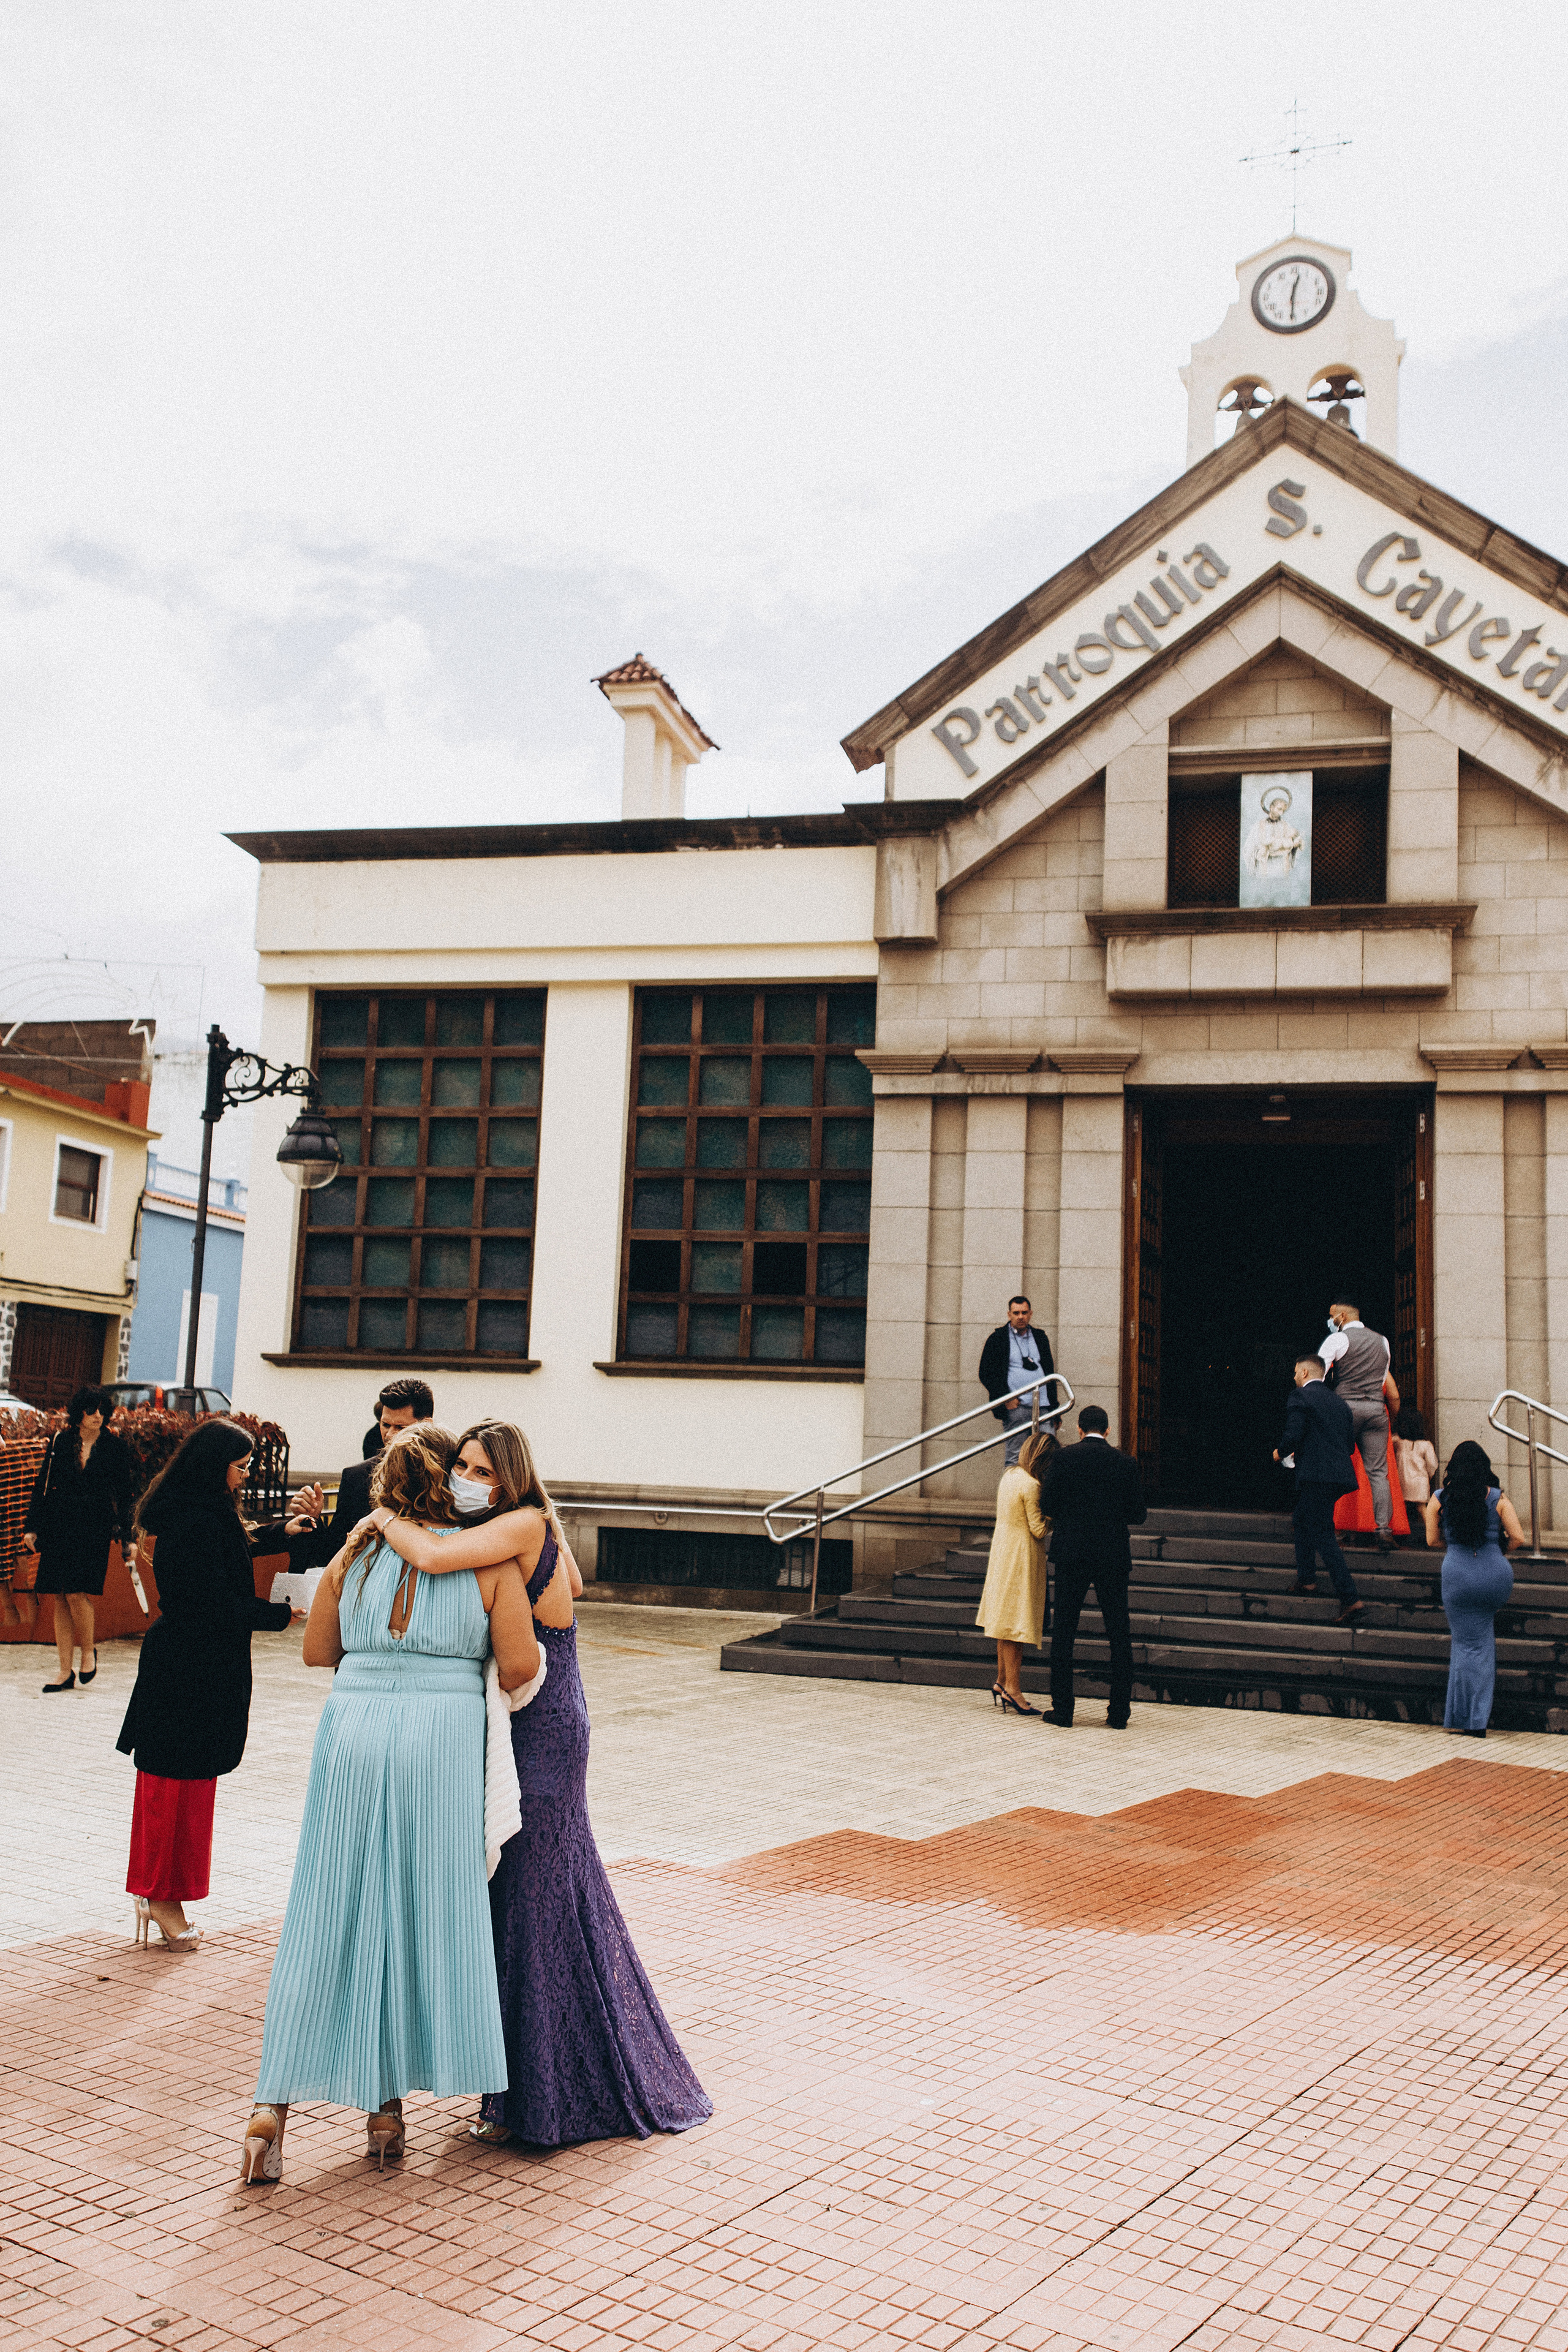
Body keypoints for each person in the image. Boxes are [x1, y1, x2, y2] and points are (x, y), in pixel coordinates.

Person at [368, 1420, 712, 2147]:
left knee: (534, 1900)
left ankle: (548, 2100)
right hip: (541, 1721)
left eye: (483, 1471)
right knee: (545, 1896)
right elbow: (575, 1583)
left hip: (543, 1729)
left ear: (511, 1479)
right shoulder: (534, 1521)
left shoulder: (521, 1522)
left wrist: (383, 1516)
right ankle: (536, 2087)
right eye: (461, 1466)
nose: (468, 1479)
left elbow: (431, 1557)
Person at [240, 1422, 540, 2186]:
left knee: (326, 1907)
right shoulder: (492, 1565)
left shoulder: (357, 1553)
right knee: (408, 1914)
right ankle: (385, 2111)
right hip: (437, 1741)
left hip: (351, 1730)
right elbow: (518, 1664)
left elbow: (315, 1651)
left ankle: (271, 2108)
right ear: (450, 1485)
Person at [116, 1420, 295, 1950]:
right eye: (242, 1467)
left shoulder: (201, 1511)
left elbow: (233, 1548)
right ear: (215, 1464)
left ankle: (167, 1896)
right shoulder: (196, 1519)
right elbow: (215, 1601)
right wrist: (281, 1615)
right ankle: (159, 1898)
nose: (245, 1476)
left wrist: (282, 1533)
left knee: (190, 1785)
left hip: (197, 1666)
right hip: (186, 1669)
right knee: (172, 1787)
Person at [1038, 1405, 1145, 1730]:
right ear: (1109, 1431)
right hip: (1112, 1554)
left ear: (1079, 1429)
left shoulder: (1063, 1459)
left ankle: (1064, 1710)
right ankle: (1119, 1714)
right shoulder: (1126, 1463)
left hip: (1071, 1553)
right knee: (1118, 1632)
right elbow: (1138, 1514)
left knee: (1065, 1632)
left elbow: (1047, 1505)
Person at [22, 1384, 135, 1694]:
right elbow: (42, 1487)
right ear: (79, 1413)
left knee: (76, 1592)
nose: (98, 1416)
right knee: (59, 1595)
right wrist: (32, 1527)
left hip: (93, 1529)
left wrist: (129, 1537)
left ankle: (88, 1651)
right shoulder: (61, 1441)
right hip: (59, 1527)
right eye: (91, 1411)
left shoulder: (114, 1447)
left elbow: (125, 1496)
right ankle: (63, 1670)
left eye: (102, 1411)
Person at [1424, 1441, 1523, 1738]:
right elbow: (1518, 1536)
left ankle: (1473, 1720)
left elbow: (1431, 1540)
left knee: (1467, 1645)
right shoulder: (1498, 1498)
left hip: (1459, 1575)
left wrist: (1454, 1545)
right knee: (1480, 1642)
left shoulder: (1439, 1498)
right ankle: (1467, 1716)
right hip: (1495, 1575)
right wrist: (1498, 1548)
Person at [284, 1376, 435, 1570]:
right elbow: (331, 1553)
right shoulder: (357, 1477)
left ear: (427, 1425)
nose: (389, 1435)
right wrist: (312, 1518)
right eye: (385, 1425)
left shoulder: (449, 1473)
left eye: (400, 1428)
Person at [1275, 1355, 1363, 1624]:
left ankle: (1351, 1598)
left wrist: (1281, 1452)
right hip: (1339, 1475)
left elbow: (1294, 1433)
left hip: (1316, 1475)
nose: (1293, 1377)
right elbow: (1350, 1445)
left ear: (1303, 1372)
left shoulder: (1300, 1396)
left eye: (1294, 1372)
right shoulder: (1340, 1403)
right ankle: (1307, 1579)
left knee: (1322, 1532)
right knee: (1302, 1519)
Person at [976, 1430, 1055, 1716]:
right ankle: (1014, 1689)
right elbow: (1038, 1528)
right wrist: (1055, 1516)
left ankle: (1001, 1680)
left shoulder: (1009, 1476)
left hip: (1003, 1552)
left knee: (1005, 1619)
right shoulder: (1032, 1485)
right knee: (1017, 1624)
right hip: (1022, 1557)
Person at [1320, 1300, 1400, 1550]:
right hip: (1376, 1410)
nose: (1331, 1320)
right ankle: (1384, 1530)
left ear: (1342, 1316)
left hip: (1346, 1409)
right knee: (1378, 1473)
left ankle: (1329, 1527)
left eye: (1332, 1316)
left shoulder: (1338, 1340)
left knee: (1332, 1466)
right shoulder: (1383, 1341)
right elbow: (1382, 1378)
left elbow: (1317, 1375)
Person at [979, 1296, 1055, 1468]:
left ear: (1031, 1314)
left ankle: (1045, 1495)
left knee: (1048, 1456)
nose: (1021, 1317)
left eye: (1024, 1313)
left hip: (1043, 1407)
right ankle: (1011, 1495)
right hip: (1017, 1408)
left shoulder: (1040, 1337)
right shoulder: (998, 1339)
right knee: (1015, 1457)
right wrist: (1005, 1398)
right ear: (1009, 1315)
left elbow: (1050, 1372)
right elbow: (985, 1373)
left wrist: (1055, 1409)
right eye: (1016, 1313)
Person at [1393, 1407, 1440, 1546]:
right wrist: (1429, 1477)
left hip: (1402, 1481)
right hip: (1420, 1482)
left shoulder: (1397, 1442)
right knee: (1422, 1509)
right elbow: (1433, 1465)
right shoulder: (1426, 1445)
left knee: (1402, 1508)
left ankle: (1399, 1534)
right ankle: (1432, 1535)